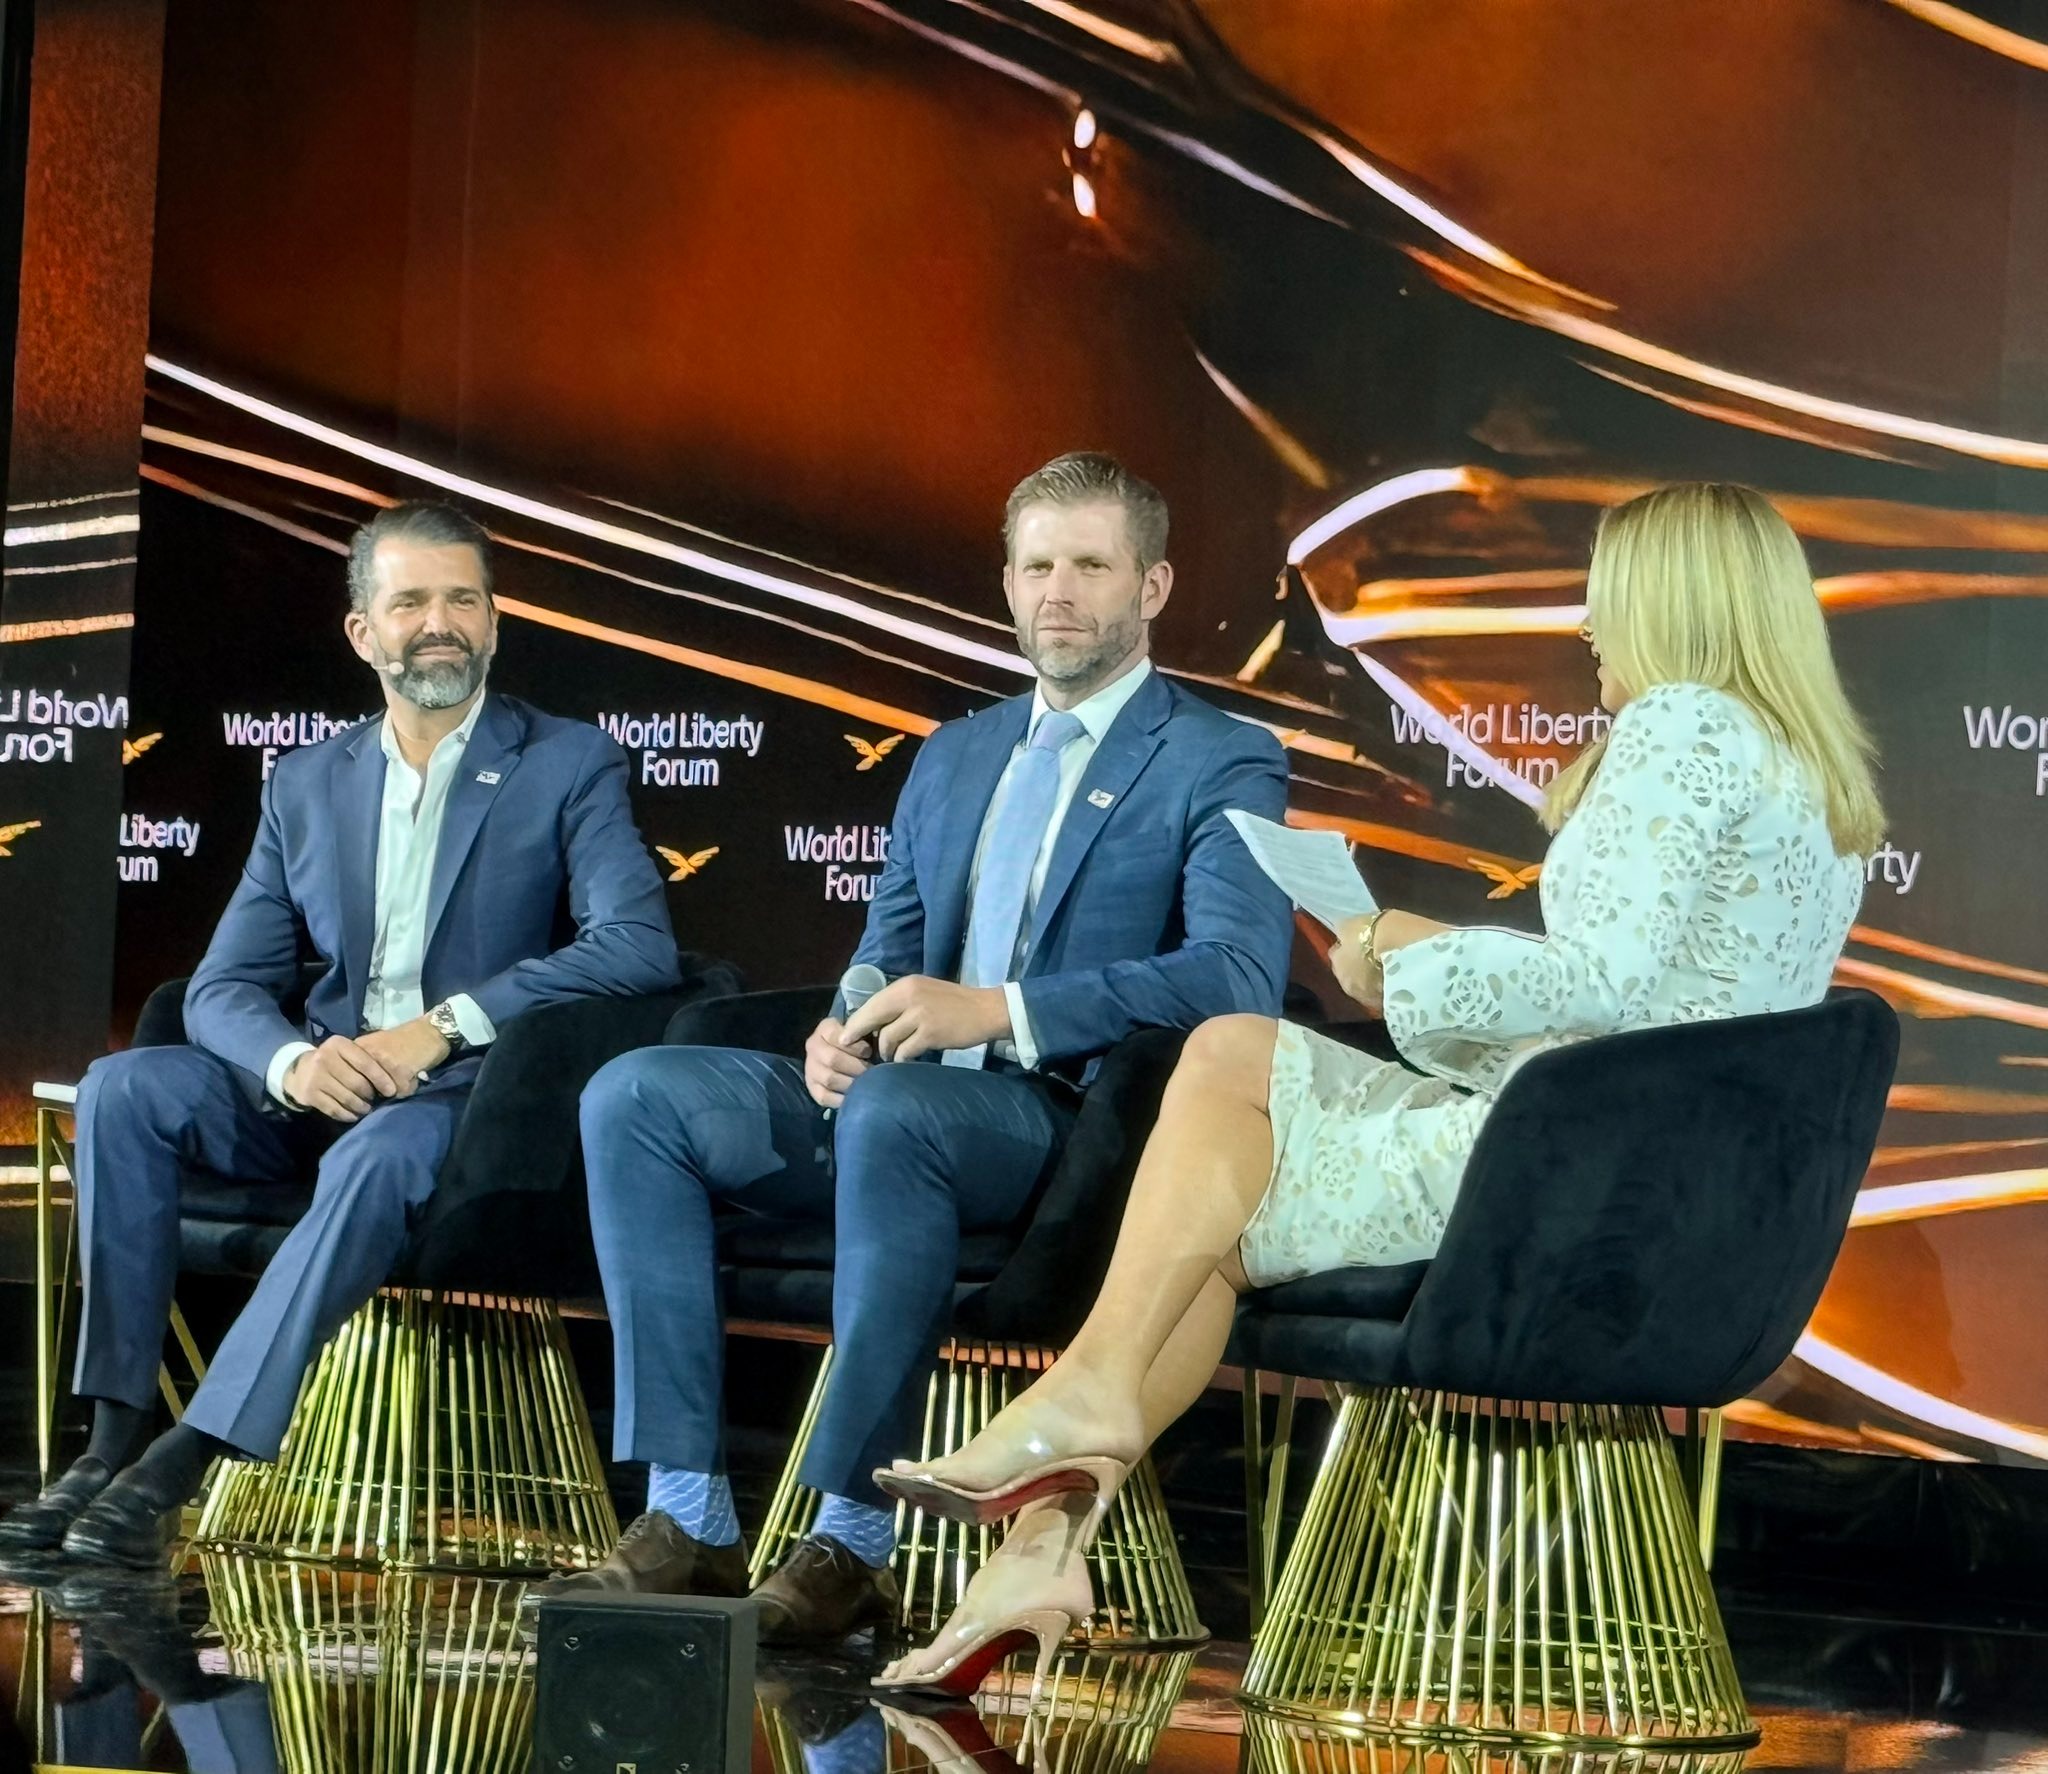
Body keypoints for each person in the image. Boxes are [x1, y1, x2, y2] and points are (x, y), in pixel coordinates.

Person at [871, 480, 1885, 1693]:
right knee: (1227, 1103)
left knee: (1224, 1111)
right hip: (1671, 1198)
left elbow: (1600, 988)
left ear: (1672, 599)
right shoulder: (1808, 774)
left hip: (1565, 1192)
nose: (1585, 626)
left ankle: (1073, 1426)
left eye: (1601, 596)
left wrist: (1402, 948)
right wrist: (1419, 963)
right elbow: (1653, 1010)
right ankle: (1039, 1546)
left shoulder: (1680, 725)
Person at [534, 452, 1294, 1643]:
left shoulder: (1218, 753)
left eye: (1089, 566)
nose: (1057, 592)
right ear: (1006, 581)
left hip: (1065, 1121)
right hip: (903, 1101)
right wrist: (846, 1022)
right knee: (639, 1094)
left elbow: (1234, 974)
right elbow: (886, 943)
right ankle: (686, 1514)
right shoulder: (954, 751)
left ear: (1150, 587)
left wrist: (998, 1010)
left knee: (898, 1114)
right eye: (1035, 567)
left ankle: (850, 1536)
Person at [0, 500, 682, 1569]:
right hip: (318, 1084)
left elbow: (637, 947)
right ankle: (109, 1442)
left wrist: (442, 1028)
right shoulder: (308, 780)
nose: (439, 623)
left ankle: (183, 1460)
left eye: (462, 600)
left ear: (495, 622)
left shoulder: (566, 762)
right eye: (410, 602)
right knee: (121, 1089)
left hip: (466, 1100)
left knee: (375, 1156)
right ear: (364, 632)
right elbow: (226, 984)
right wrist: (294, 1063)